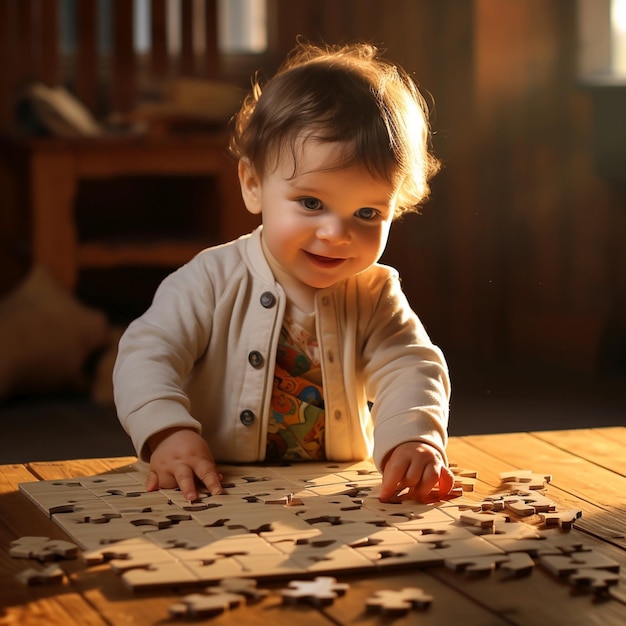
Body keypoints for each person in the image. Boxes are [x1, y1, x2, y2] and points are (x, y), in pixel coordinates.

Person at [113, 41, 453, 504]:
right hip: (211, 484)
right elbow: (146, 354)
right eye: (311, 203)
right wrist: (167, 433)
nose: (337, 233)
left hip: (328, 494)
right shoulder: (211, 278)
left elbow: (409, 365)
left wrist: (414, 436)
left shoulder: (374, 293)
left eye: (369, 213)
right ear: (253, 185)